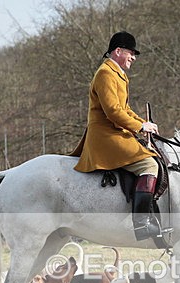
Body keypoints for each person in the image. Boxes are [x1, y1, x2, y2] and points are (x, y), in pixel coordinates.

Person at [69, 31, 170, 242]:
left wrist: (145, 123)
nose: (133, 58)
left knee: (156, 157)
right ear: (118, 51)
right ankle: (142, 223)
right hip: (105, 135)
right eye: (131, 53)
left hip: (116, 131)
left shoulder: (117, 74)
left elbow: (125, 108)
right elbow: (113, 112)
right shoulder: (105, 73)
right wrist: (140, 127)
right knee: (149, 166)